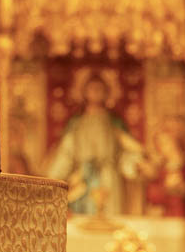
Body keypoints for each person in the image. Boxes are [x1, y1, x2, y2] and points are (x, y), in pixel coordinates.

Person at [45, 73, 145, 216]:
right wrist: (53, 176)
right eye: (92, 89)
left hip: (109, 177)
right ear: (84, 92)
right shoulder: (77, 123)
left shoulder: (114, 123)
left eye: (100, 89)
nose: (96, 92)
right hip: (83, 176)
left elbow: (126, 150)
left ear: (107, 92)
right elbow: (66, 152)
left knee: (109, 216)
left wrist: (134, 165)